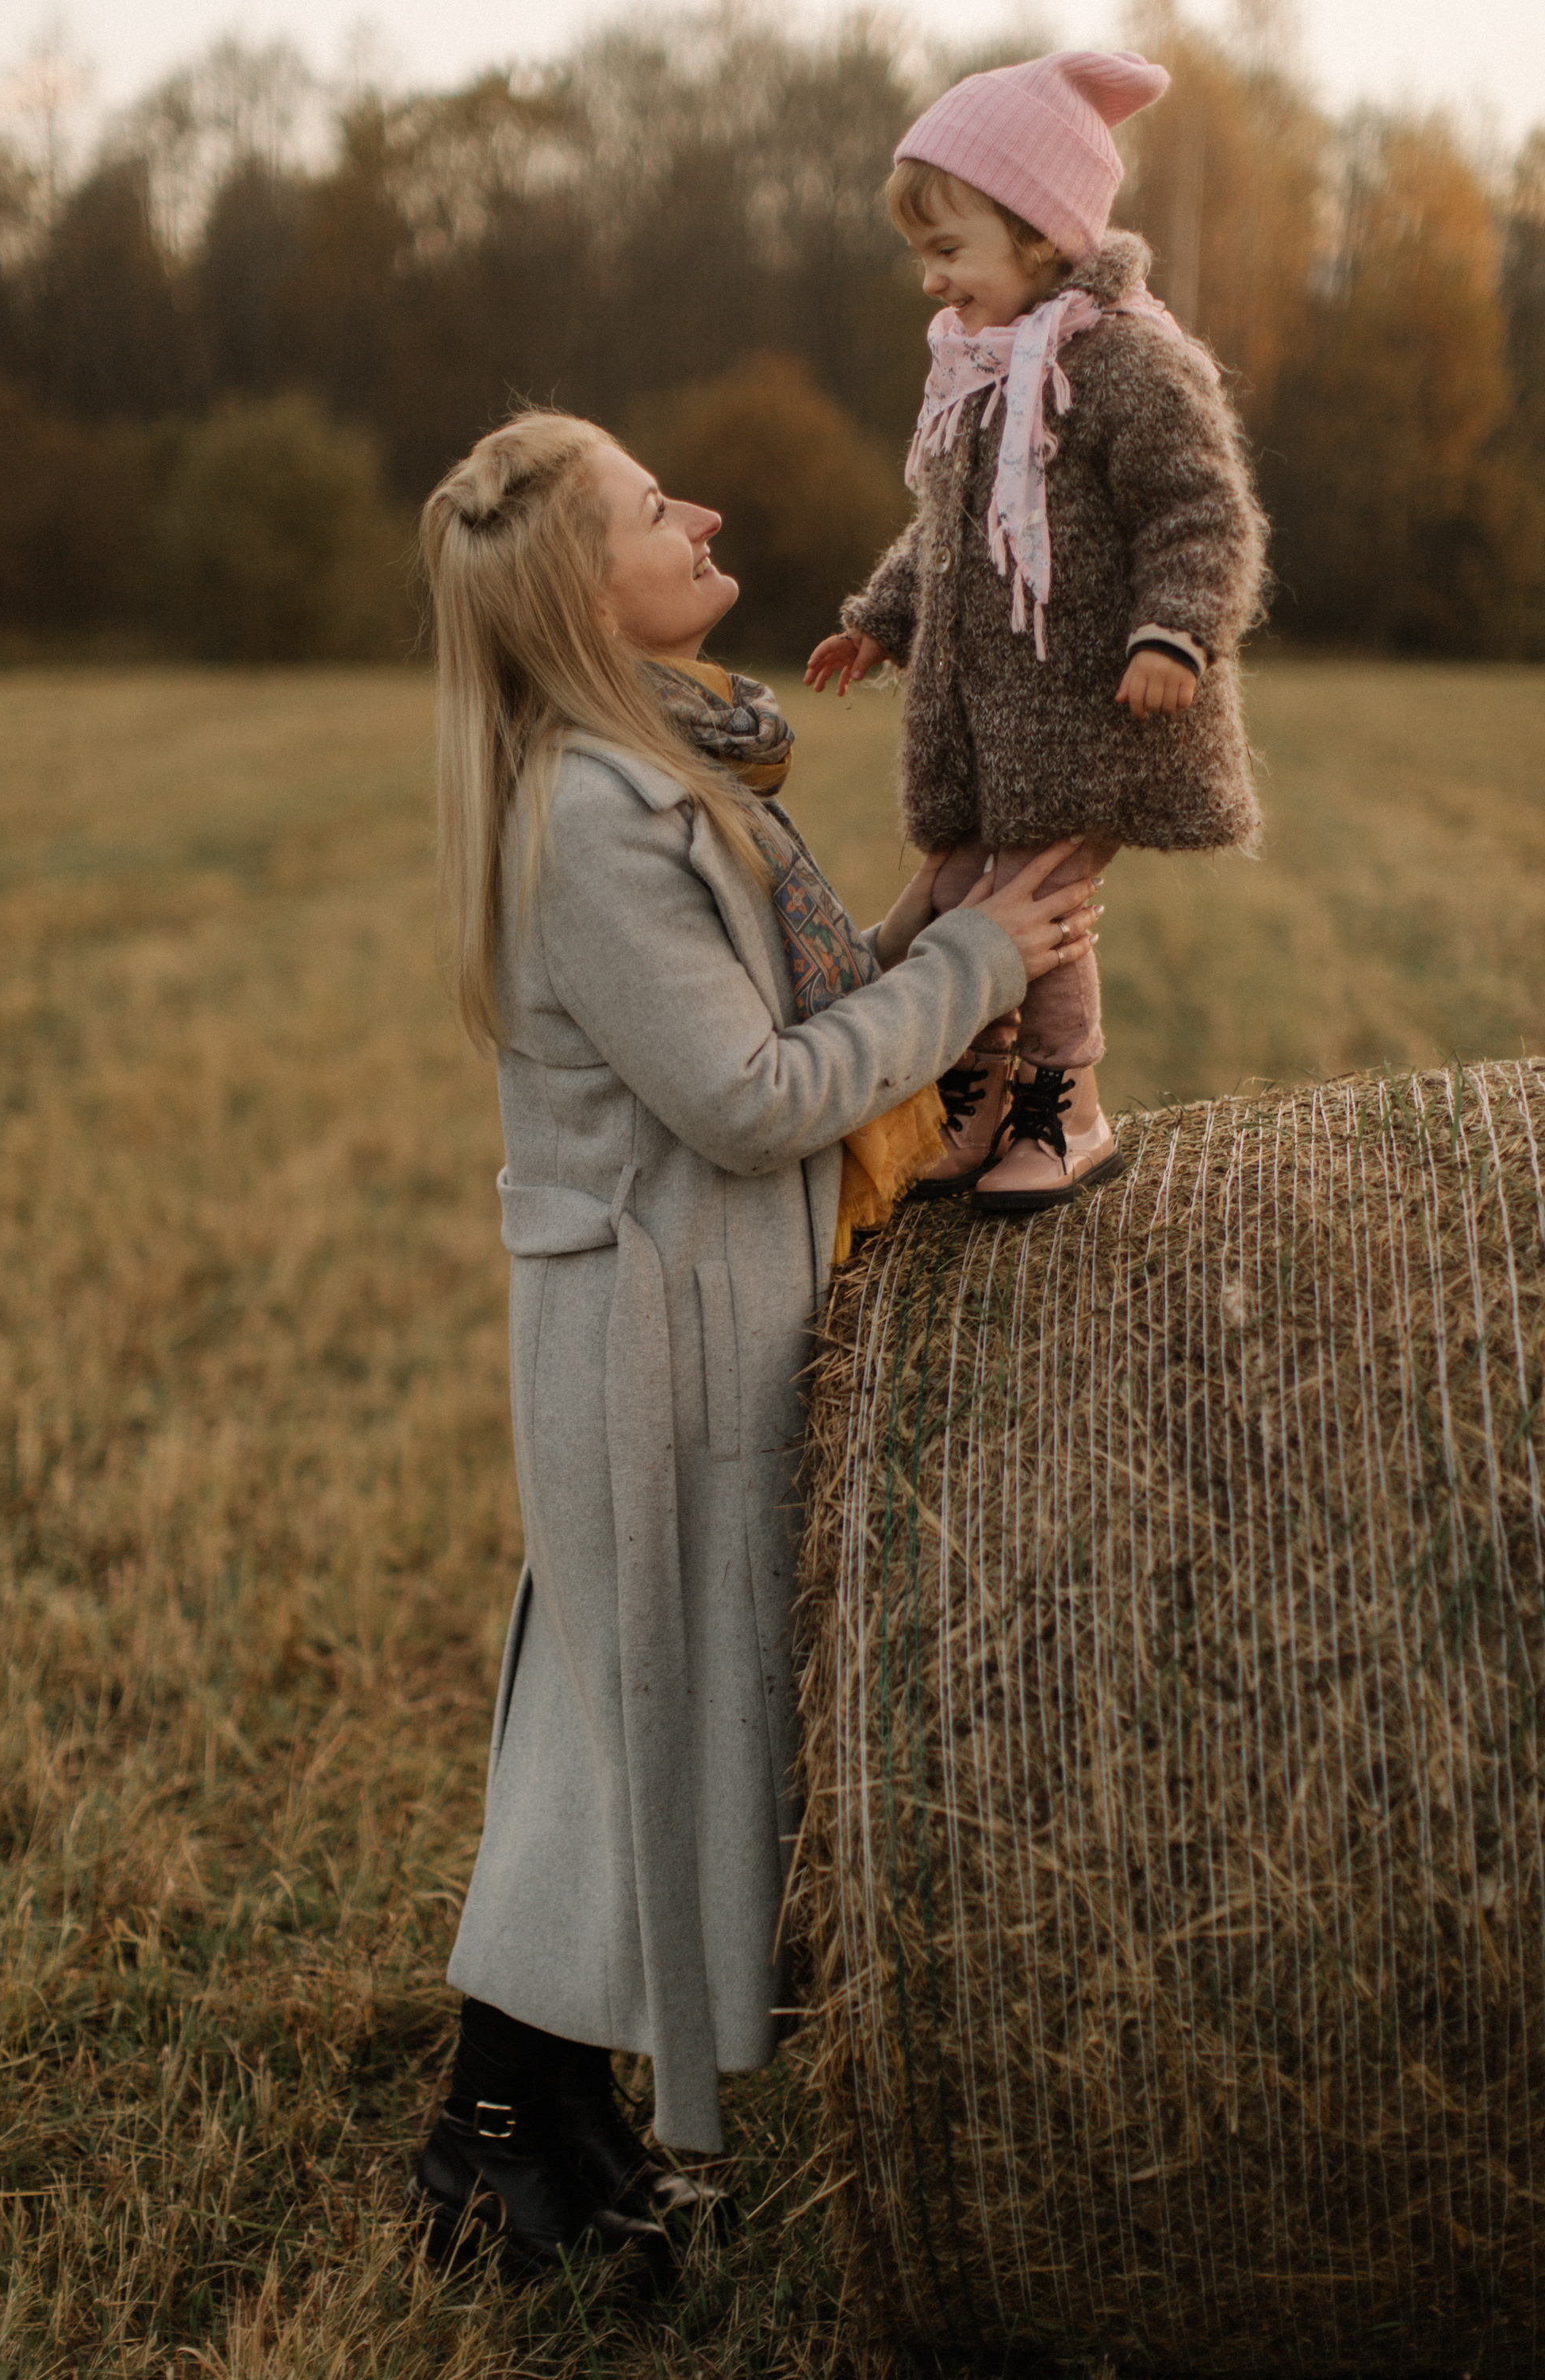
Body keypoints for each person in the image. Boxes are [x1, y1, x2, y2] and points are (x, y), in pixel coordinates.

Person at [408, 406, 1103, 2278]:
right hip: (656, 1333)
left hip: (720, 1305)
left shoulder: (671, 762)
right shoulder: (586, 813)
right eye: (655, 507)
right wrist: (973, 968)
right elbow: (741, 1092)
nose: (700, 512)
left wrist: (945, 924)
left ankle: (536, 2132)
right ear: (583, 581)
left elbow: (790, 1009)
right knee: (622, 1724)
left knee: (643, 1719)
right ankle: (499, 2151)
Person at [807, 49, 1268, 1214]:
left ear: (1043, 233)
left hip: (1099, 718)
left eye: (947, 249)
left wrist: (1175, 631)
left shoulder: (1125, 361)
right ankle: (976, 1099)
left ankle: (1067, 1110)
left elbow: (1201, 510)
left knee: (1038, 910)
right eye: (923, 253)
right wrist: (879, 618)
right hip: (996, 736)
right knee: (967, 898)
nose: (930, 279)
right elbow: (954, 535)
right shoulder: (984, 373)